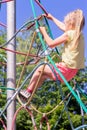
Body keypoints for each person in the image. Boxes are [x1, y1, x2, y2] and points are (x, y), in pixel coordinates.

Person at [19, 9, 85, 100]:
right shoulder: (79, 35)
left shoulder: (69, 34)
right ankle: (29, 93)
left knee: (40, 69)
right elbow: (64, 28)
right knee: (43, 75)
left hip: (64, 70)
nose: (64, 25)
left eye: (66, 23)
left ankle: (28, 91)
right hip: (71, 73)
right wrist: (52, 18)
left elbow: (51, 44)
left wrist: (43, 31)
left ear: (71, 24)